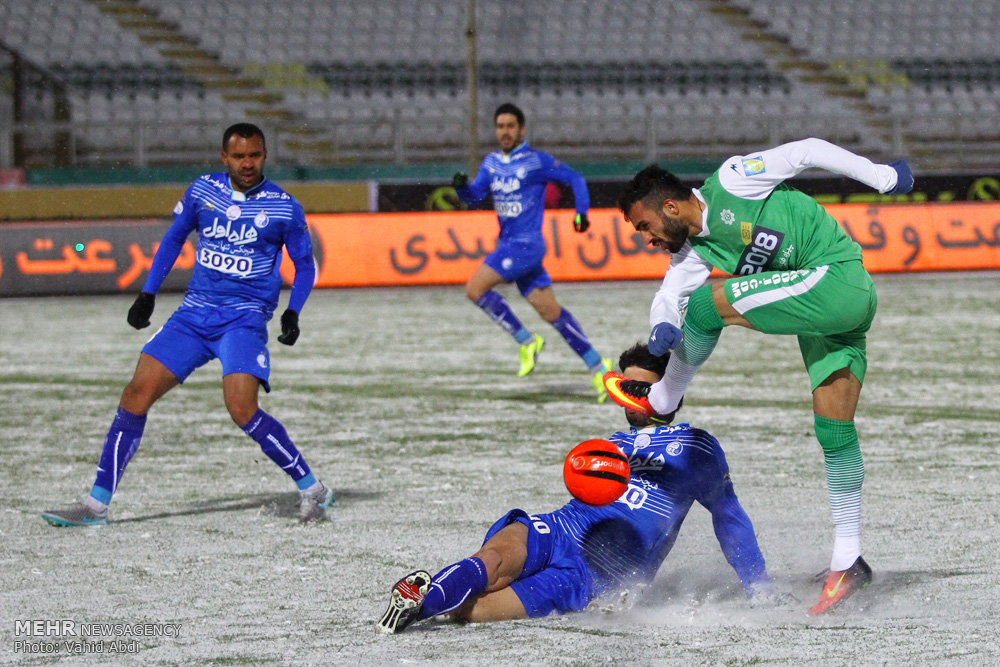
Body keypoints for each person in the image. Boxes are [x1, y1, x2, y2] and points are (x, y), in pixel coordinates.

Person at [603, 137, 914, 614]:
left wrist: (883, 178)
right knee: (834, 430)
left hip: (836, 278)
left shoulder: (733, 180)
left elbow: (807, 149)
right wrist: (662, 326)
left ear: (669, 206)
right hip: (827, 312)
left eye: (645, 226)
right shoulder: (691, 254)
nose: (647, 239)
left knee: (708, 305)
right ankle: (849, 560)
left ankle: (662, 403)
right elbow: (668, 296)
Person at [41, 123, 334, 527]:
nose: (247, 163)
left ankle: (313, 491)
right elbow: (174, 239)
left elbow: (304, 265)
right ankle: (95, 508)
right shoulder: (202, 191)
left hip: (244, 320)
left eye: (255, 155)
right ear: (224, 158)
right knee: (135, 395)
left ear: (264, 155)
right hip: (193, 315)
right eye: (239, 156)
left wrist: (293, 311)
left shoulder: (284, 207)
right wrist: (148, 293)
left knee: (242, 408)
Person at [376, 342, 778, 634]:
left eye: (643, 389)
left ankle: (435, 601)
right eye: (627, 387)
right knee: (495, 556)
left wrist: (758, 585)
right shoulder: (609, 444)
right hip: (560, 529)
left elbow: (730, 518)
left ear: (671, 393)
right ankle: (414, 602)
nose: (632, 397)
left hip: (597, 575)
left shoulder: (695, 447)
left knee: (469, 612)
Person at [452, 102, 612, 401]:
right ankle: (599, 367)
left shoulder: (537, 162)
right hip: (511, 246)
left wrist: (581, 213)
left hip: (525, 245)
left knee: (475, 289)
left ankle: (526, 341)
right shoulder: (490, 164)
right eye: (500, 126)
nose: (505, 132)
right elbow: (474, 198)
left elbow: (575, 178)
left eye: (510, 126)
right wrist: (461, 188)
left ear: (521, 129)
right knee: (551, 311)